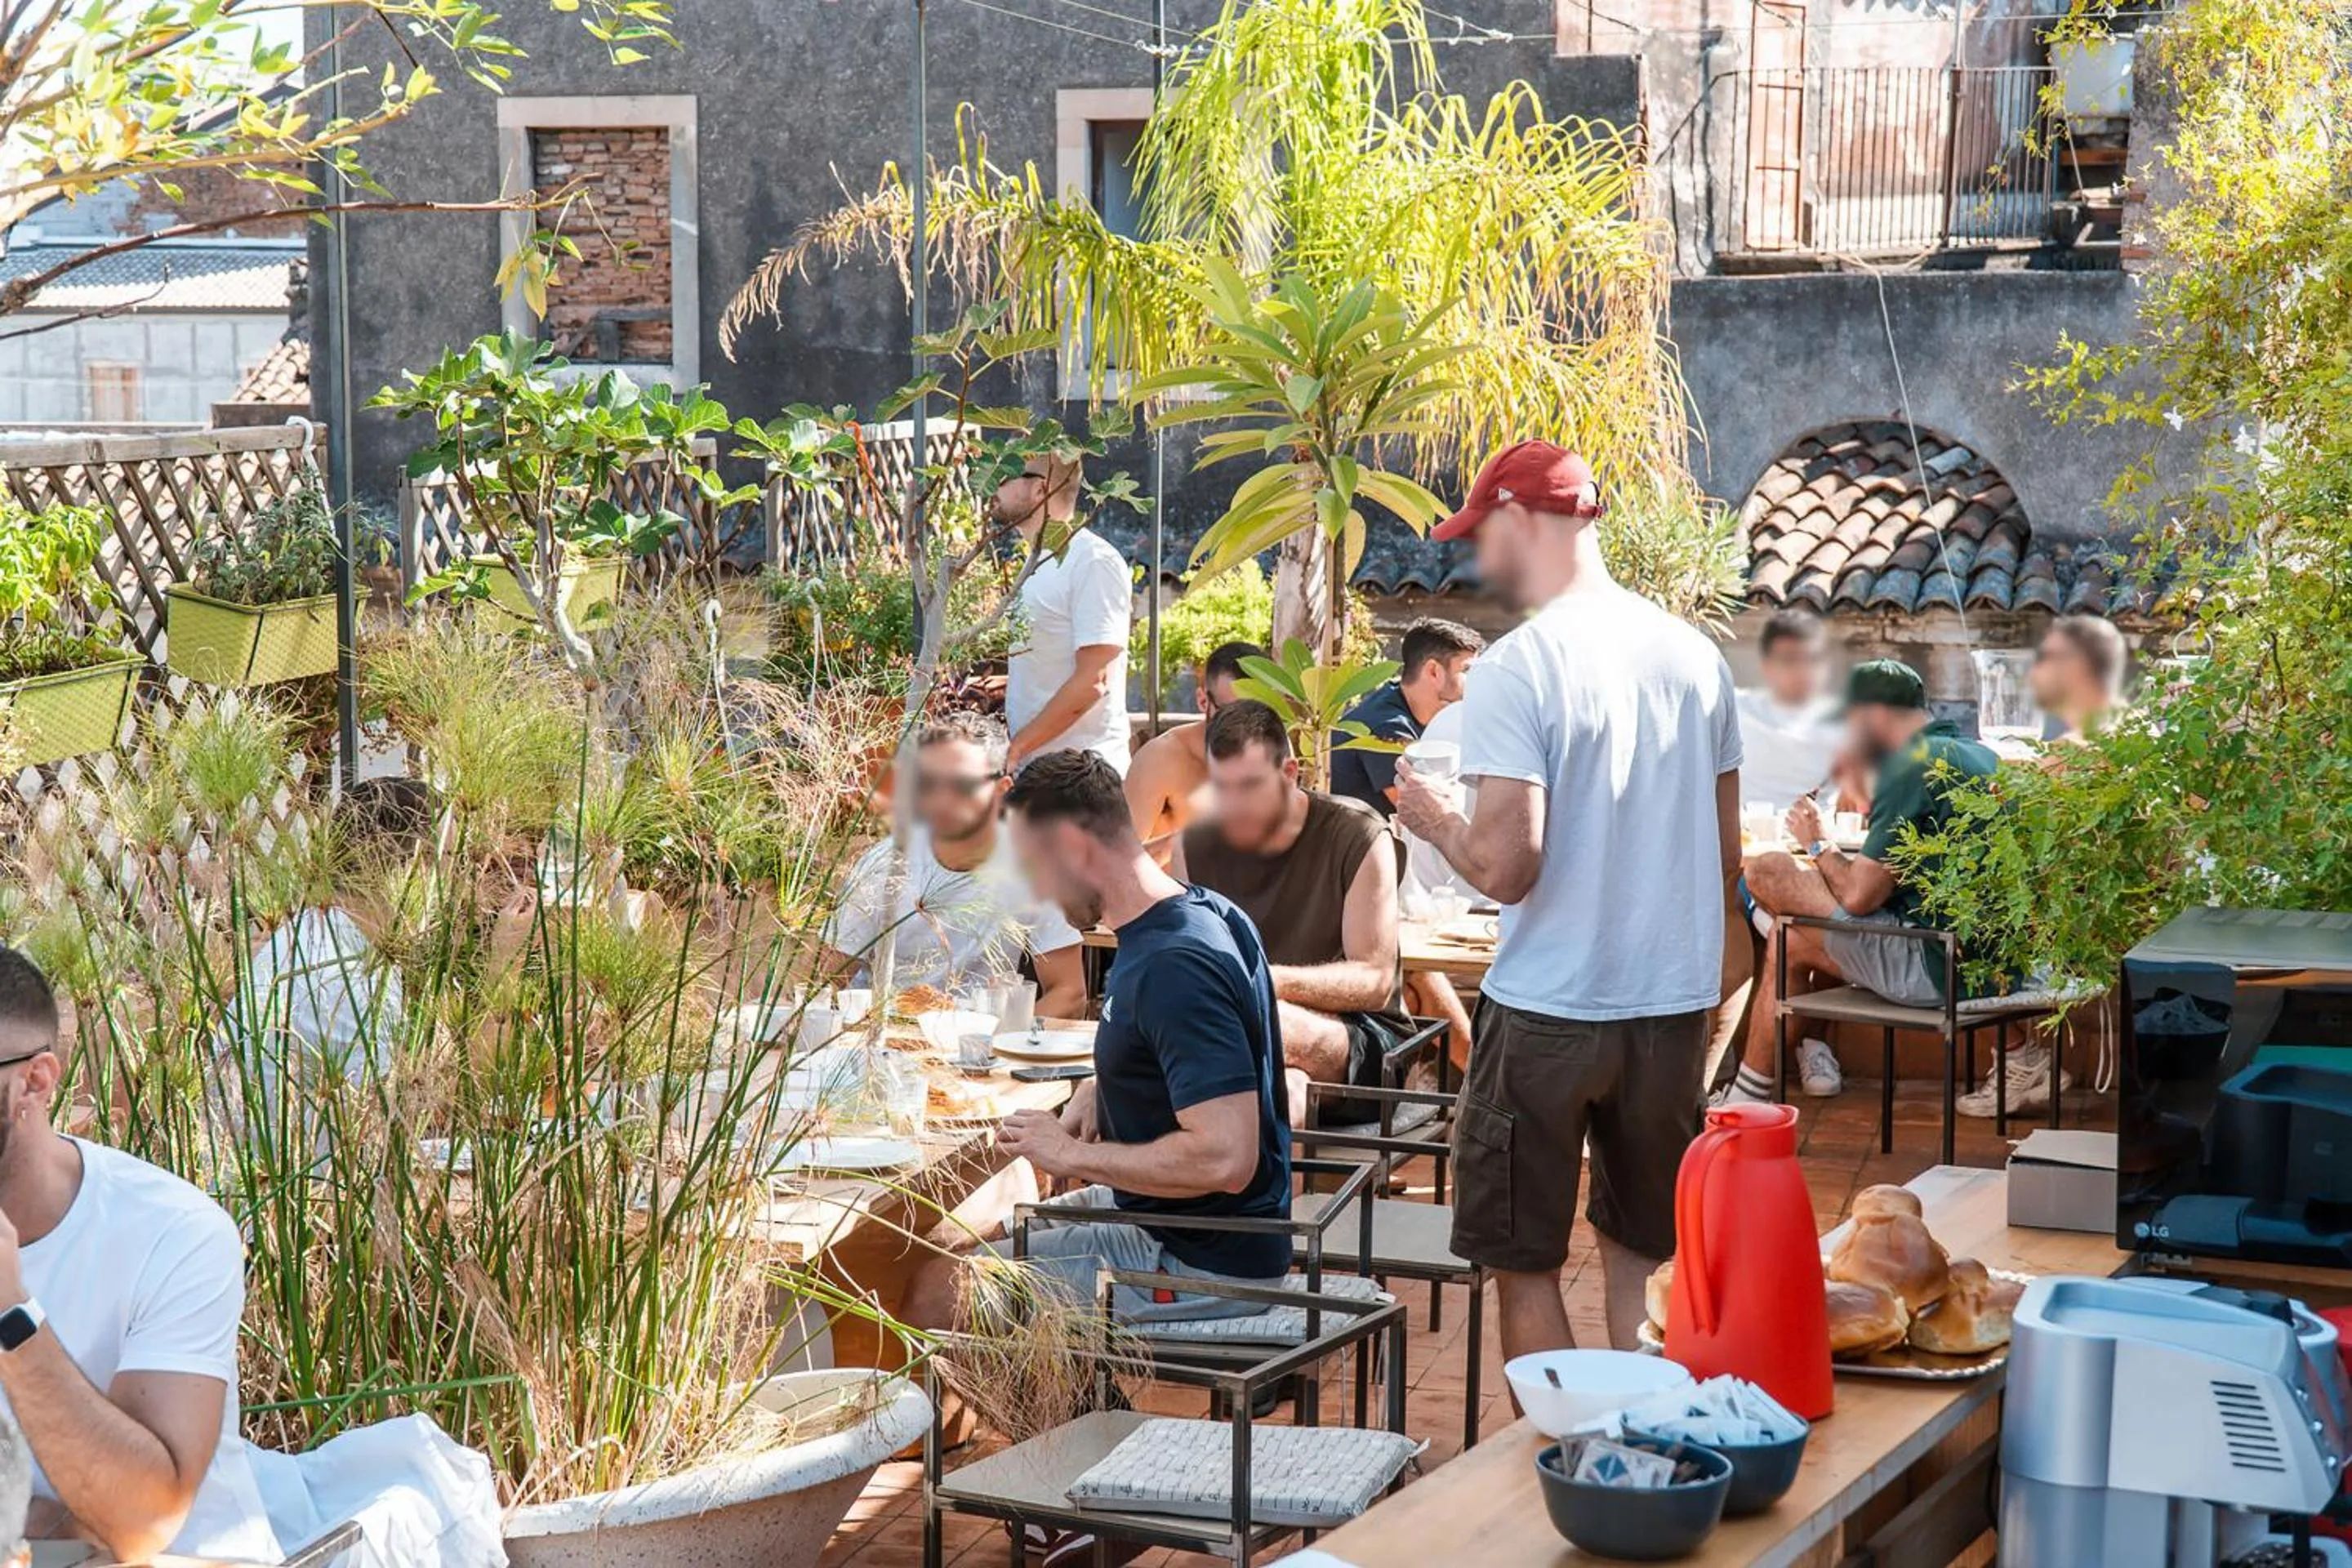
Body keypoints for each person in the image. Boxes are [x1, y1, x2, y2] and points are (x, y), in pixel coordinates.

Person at [1393, 440, 1744, 1359]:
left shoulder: (1518, 665)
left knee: (1525, 1262)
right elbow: (1725, 855)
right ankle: (1636, 1461)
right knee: (1643, 1251)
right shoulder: (1697, 658)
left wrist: (1434, 823)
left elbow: (1510, 867)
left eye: (1481, 533)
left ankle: (1552, 1478)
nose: (1477, 558)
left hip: (1549, 1006)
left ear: (1518, 519)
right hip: (1666, 1010)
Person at [900, 749, 1292, 1330]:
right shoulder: (1199, 911)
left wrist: (1072, 1155)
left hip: (1199, 1258)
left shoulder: (1175, 966)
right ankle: (1080, 1411)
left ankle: (1080, 1421)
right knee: (976, 1234)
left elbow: (1227, 1157)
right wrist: (1103, 1085)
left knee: (943, 1291)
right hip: (1172, 1218)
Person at [0, 947, 280, 1563]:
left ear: (35, 1081)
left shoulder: (175, 1234)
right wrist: (47, 1518)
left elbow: (140, 1524)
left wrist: (11, 1315)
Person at [1720, 662, 2063, 1113]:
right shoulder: (1979, 755)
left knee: (1767, 872)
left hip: (1934, 966)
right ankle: (1751, 1095)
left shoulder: (1912, 765)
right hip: (1995, 965)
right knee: (1791, 939)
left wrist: (1816, 840)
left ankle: (1745, 1101)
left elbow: (1861, 896)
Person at [1174, 701, 1410, 1125]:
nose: (1234, 805)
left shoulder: (1357, 833)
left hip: (1361, 1042)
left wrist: (1263, 983)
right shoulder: (1195, 844)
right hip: (1237, 1039)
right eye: (1220, 788)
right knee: (1284, 1086)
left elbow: (1374, 980)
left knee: (1274, 1030)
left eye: (1249, 787)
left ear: (1289, 772)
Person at [824, 713, 1086, 1018]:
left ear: (1002, 790)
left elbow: (1069, 993)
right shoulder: (886, 862)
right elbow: (824, 981)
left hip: (978, 1045)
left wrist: (1000, 1045)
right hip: (880, 1036)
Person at [996, 454, 1134, 773]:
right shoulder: (1038, 562)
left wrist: (1018, 747)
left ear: (1040, 490)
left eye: (1004, 475)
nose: (993, 483)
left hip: (1081, 781)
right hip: (1040, 775)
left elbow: (1094, 680)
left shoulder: (1093, 561)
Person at [1123, 639, 1264, 863]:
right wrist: (1187, 841)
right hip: (1176, 894)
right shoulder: (1161, 759)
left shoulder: (1273, 749)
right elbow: (1121, 864)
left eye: (1256, 713)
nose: (1244, 726)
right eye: (1230, 713)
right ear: (1202, 701)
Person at [1327, 617, 1484, 817]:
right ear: (1434, 671)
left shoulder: (1404, 698)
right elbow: (1426, 812)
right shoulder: (1387, 727)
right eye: (1467, 670)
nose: (1476, 680)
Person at [1734, 608, 1842, 812]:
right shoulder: (1735, 708)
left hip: (1820, 839)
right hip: (1748, 839)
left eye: (1812, 660)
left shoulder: (1844, 723)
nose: (1802, 671)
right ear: (1766, 666)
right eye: (1789, 660)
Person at [2029, 612, 2128, 748]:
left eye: (2046, 657)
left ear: (2080, 665)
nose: (2034, 671)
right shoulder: (2131, 729)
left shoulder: (2073, 753)